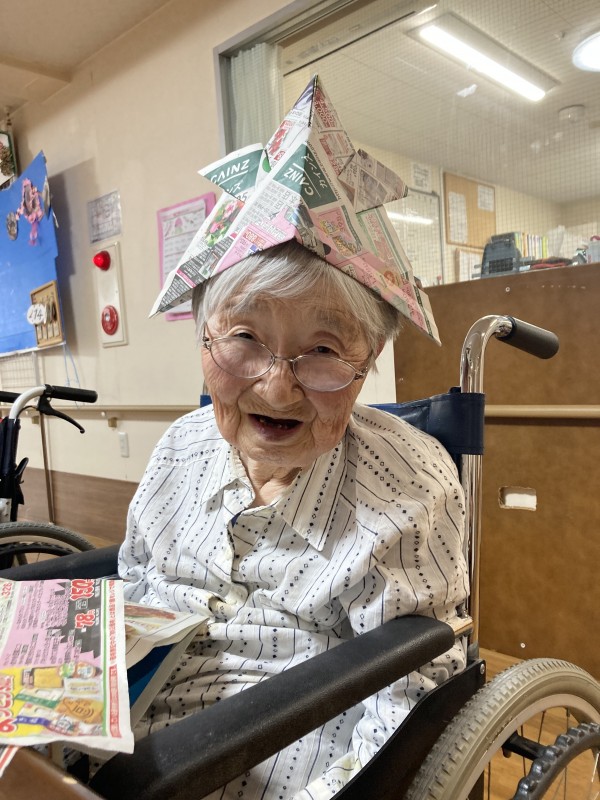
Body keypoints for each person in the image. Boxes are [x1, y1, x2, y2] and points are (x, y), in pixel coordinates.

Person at [118, 76, 469, 800]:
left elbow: (415, 692)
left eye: (323, 350)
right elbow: (134, 584)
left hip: (285, 766)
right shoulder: (179, 448)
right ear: (205, 338)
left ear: (369, 359)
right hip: (121, 740)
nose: (278, 389)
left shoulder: (408, 485)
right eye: (244, 337)